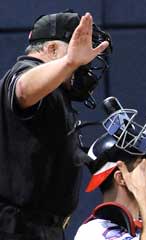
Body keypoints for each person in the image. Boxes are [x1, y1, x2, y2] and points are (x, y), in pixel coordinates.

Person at [0, 10, 111, 239]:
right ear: (51, 49)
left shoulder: (56, 93)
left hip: (41, 228)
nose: (85, 63)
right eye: (76, 47)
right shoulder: (24, 73)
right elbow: (22, 89)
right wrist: (70, 62)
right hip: (16, 228)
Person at [74, 98, 146, 239]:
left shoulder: (144, 227)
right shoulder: (93, 232)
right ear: (121, 178)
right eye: (145, 163)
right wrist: (145, 195)